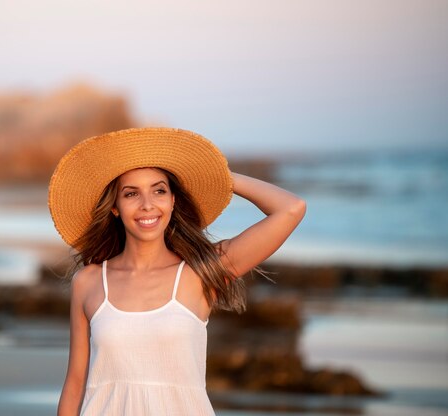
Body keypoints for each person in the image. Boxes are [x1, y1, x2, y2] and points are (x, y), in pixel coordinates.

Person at [49, 127, 306, 415]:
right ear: (115, 208)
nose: (147, 205)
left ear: (173, 200)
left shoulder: (200, 272)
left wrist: (218, 176)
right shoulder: (89, 281)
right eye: (131, 194)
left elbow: (291, 208)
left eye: (159, 190)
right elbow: (75, 383)